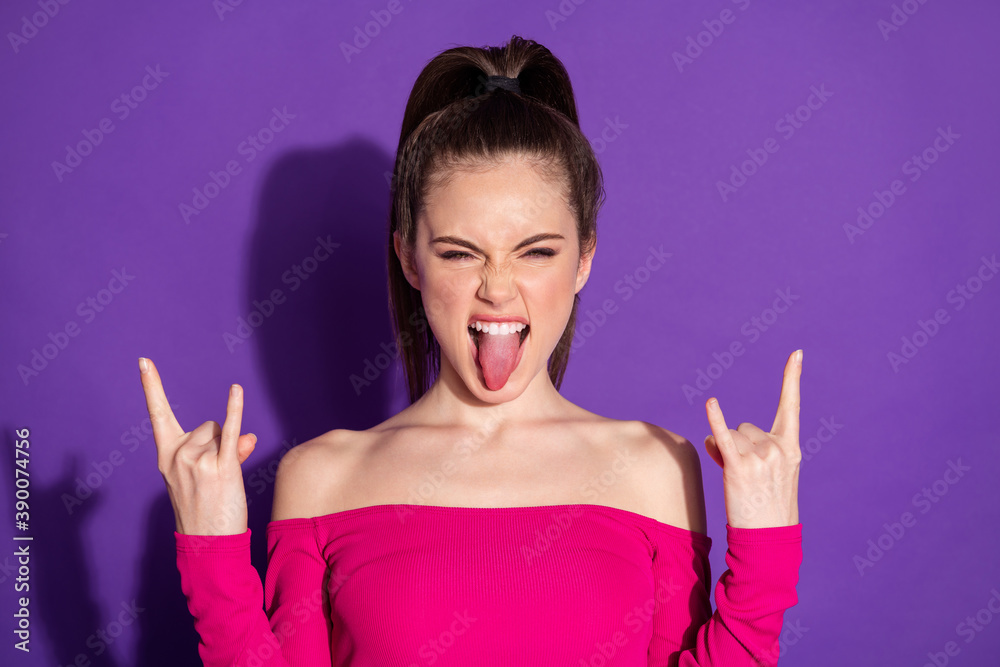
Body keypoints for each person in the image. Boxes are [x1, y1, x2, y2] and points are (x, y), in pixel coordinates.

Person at [139, 35, 803, 666]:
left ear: (584, 260)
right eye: (460, 252)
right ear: (408, 255)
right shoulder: (320, 477)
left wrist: (767, 551)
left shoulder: (656, 466)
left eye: (536, 251)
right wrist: (211, 548)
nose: (497, 288)